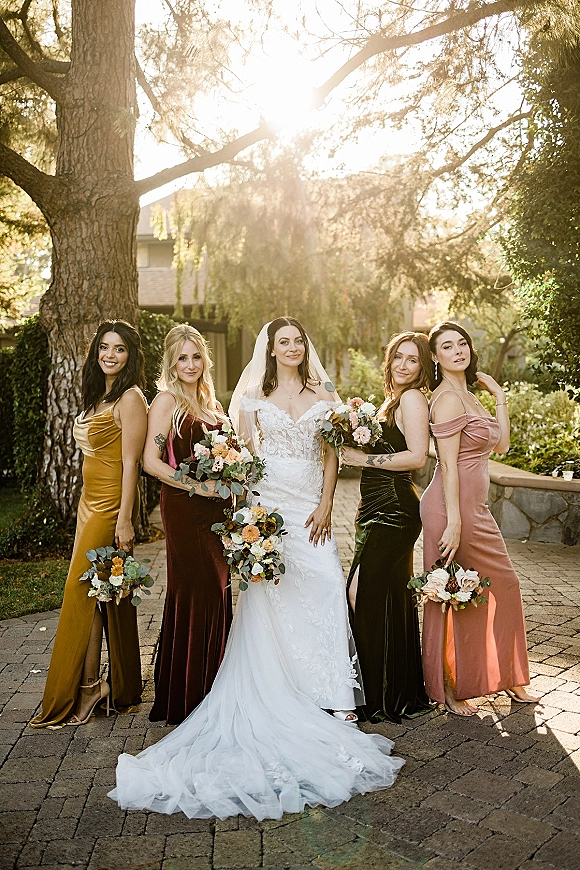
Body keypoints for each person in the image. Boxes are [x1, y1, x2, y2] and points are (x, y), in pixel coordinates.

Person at [109, 317, 404, 820]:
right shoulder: (246, 400)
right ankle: (282, 688)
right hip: (268, 508)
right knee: (270, 598)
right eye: (282, 341)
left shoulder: (323, 394)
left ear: (305, 348)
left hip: (311, 505)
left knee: (327, 589)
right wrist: (242, 510)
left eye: (298, 341)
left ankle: (335, 695)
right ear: (270, 350)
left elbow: (331, 451)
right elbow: (242, 460)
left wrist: (328, 502)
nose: (291, 347)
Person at [30, 321, 147, 729]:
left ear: (130, 355)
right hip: (87, 503)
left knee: (79, 592)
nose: (110, 355)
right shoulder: (99, 394)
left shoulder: (131, 399)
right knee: (98, 594)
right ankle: (96, 686)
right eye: (104, 347)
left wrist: (125, 519)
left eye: (119, 349)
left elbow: (132, 463)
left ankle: (79, 690)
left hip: (110, 506)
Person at [420, 321, 538, 716]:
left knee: (504, 585)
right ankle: (449, 688)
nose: (458, 350)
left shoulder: (470, 396)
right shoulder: (448, 400)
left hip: (475, 509)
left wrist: (500, 396)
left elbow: (500, 445)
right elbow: (449, 467)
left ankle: (512, 678)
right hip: (449, 508)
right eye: (447, 346)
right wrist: (453, 521)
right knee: (448, 594)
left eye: (462, 343)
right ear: (435, 357)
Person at [341, 332, 434, 723]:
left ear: (423, 367)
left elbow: (416, 457)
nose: (402, 364)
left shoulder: (412, 399)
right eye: (398, 356)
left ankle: (370, 695)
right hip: (377, 505)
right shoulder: (391, 401)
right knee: (389, 595)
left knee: (359, 590)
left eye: (412, 360)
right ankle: (396, 692)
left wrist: (363, 459)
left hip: (395, 508)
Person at [144, 324, 232, 725]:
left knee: (218, 590)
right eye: (182, 357)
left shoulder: (213, 405)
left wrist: (230, 484)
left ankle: (214, 685)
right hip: (184, 507)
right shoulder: (167, 401)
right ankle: (189, 695)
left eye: (196, 356)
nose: (190, 364)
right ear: (171, 362)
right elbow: (152, 461)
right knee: (199, 590)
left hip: (216, 511)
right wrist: (198, 486)